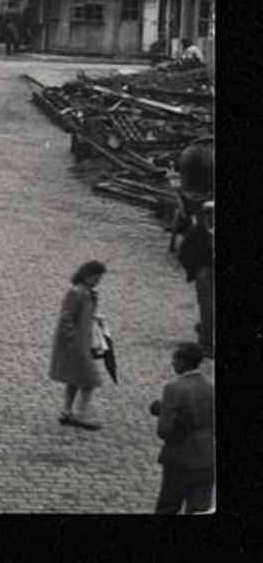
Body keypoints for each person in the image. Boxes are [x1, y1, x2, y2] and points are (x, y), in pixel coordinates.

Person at [150, 342, 215, 514]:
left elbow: (165, 431)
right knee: (199, 511)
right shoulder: (210, 388)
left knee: (168, 507)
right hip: (207, 458)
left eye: (175, 360)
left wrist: (165, 412)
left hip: (180, 459)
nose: (172, 363)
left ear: (183, 362)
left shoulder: (174, 389)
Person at [49, 260, 109, 430]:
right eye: (95, 278)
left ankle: (67, 412)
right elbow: (66, 317)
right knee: (90, 380)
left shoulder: (87, 293)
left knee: (74, 378)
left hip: (82, 343)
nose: (97, 282)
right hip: (76, 345)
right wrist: (73, 338)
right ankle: (81, 415)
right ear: (86, 276)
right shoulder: (76, 293)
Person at [176, 201, 214, 357]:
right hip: (205, 271)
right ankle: (206, 344)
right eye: (210, 213)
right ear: (205, 214)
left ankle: (203, 330)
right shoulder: (196, 231)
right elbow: (183, 252)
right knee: (207, 307)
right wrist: (195, 270)